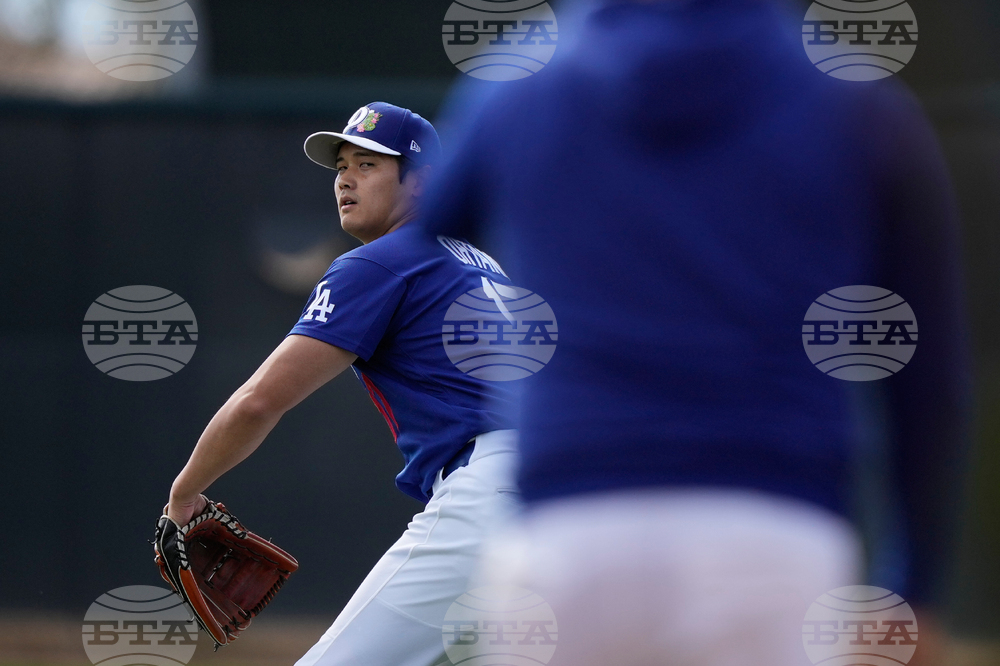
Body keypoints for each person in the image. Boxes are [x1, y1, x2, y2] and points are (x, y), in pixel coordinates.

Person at [422, 0, 971, 664]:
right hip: (773, 533)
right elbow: (930, 378)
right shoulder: (858, 102)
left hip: (570, 527)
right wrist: (916, 584)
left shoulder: (522, 82)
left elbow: (437, 216)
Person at [165, 102, 518, 666]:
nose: (345, 179)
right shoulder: (482, 263)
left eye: (368, 164)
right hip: (565, 493)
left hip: (490, 494)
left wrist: (185, 494)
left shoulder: (381, 263)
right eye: (341, 166)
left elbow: (258, 402)